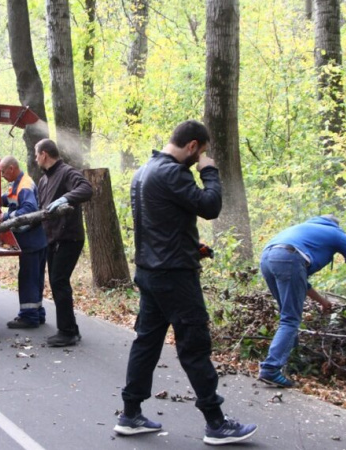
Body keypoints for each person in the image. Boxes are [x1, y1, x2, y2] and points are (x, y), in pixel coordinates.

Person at [116, 120, 257, 445]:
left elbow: (160, 224)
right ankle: (216, 423)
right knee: (194, 346)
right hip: (175, 277)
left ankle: (130, 414)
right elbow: (210, 206)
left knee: (146, 342)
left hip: (150, 273)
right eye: (201, 152)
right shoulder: (173, 172)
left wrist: (193, 246)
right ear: (192, 146)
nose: (201, 158)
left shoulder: (144, 171)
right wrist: (210, 172)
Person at [258, 214, 346, 388]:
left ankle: (289, 363)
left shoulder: (304, 229)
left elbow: (300, 281)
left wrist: (323, 301)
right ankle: (271, 368)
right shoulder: (336, 233)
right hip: (288, 258)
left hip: (267, 257)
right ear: (337, 225)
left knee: (287, 315)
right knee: (291, 319)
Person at [33, 139, 92, 347]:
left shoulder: (67, 172)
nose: (35, 158)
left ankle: (66, 332)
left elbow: (86, 188)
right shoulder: (43, 180)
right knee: (58, 282)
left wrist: (65, 199)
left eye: (36, 154)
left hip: (69, 238)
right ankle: (71, 329)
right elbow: (42, 210)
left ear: (45, 154)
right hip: (52, 239)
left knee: (59, 281)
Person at [0, 156, 48, 328]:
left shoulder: (24, 185)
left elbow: (28, 209)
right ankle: (38, 313)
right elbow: (10, 198)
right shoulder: (19, 184)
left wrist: (6, 217)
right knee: (36, 278)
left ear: (12, 168)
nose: (1, 175)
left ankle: (28, 316)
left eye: (3, 171)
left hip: (31, 241)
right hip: (38, 240)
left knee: (28, 278)